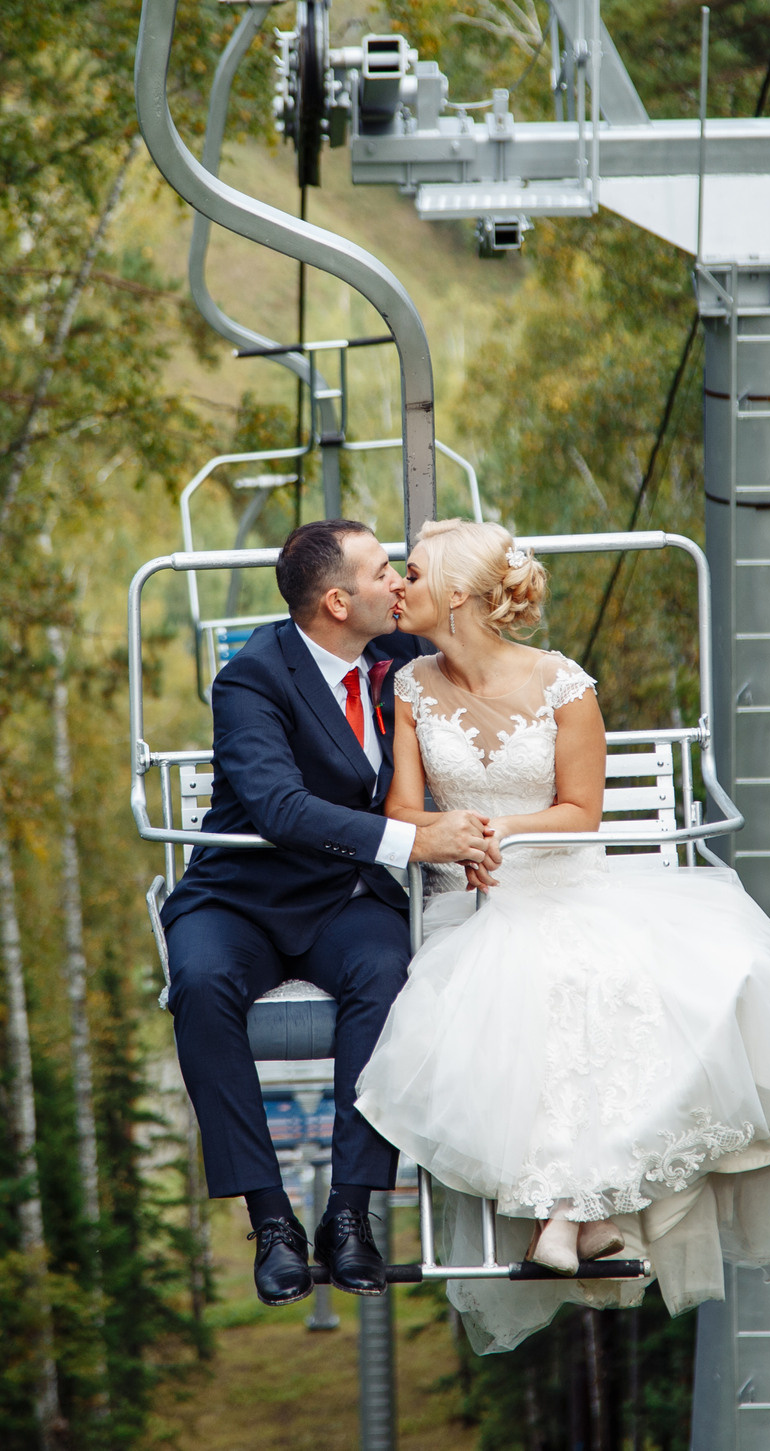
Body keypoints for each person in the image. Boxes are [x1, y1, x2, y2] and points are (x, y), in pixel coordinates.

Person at [353, 517, 770, 1352]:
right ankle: (584, 1217)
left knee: (618, 979)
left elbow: (578, 813)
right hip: (471, 898)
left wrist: (500, 832)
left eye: (410, 572)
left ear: (456, 592)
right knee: (527, 984)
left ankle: (569, 1211)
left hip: (562, 880)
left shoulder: (564, 686)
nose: (398, 586)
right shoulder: (411, 685)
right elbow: (404, 811)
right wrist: (459, 840)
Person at [160, 517, 501, 1306]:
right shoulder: (252, 677)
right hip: (242, 894)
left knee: (385, 975)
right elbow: (278, 806)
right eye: (387, 571)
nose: (400, 584)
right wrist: (411, 843)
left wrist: (451, 539)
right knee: (202, 984)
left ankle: (350, 1212)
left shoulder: (399, 654)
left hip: (344, 899)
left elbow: (474, 627)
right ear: (339, 601)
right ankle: (272, 1217)